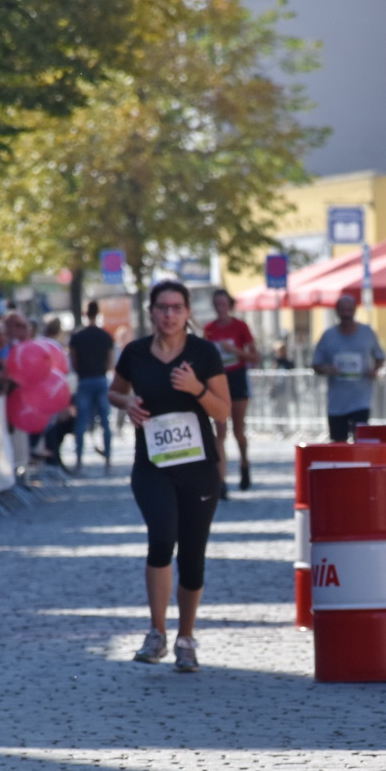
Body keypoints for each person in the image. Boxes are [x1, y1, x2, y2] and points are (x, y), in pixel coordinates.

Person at [108, 280, 230, 672]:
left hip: (198, 468)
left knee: (192, 555)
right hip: (152, 466)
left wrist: (196, 389)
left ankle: (186, 638)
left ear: (188, 312)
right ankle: (157, 632)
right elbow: (114, 392)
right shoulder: (135, 352)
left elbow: (223, 411)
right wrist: (127, 402)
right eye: (162, 307)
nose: (169, 315)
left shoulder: (203, 353)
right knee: (161, 539)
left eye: (177, 308)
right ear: (151, 312)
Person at [202, 288, 257, 493]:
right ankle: (221, 480)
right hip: (217, 381)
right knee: (220, 433)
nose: (220, 308)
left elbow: (255, 356)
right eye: (217, 304)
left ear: (230, 305)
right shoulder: (209, 329)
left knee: (238, 431)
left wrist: (234, 351)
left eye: (224, 304)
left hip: (237, 378)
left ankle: (244, 463)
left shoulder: (240, 326)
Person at [311, 294, 385, 441]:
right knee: (339, 443)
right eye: (343, 310)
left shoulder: (367, 333)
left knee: (361, 440)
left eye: (349, 310)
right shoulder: (328, 336)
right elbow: (316, 363)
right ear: (337, 312)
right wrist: (327, 369)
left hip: (361, 399)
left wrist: (375, 369)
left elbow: (380, 356)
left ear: (354, 311)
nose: (346, 314)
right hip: (337, 403)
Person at [65, 300, 115, 474]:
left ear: (85, 314)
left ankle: (79, 461)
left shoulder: (77, 337)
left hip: (84, 380)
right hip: (101, 380)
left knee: (81, 422)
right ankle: (108, 461)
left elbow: (73, 362)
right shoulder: (105, 336)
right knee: (105, 422)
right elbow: (110, 363)